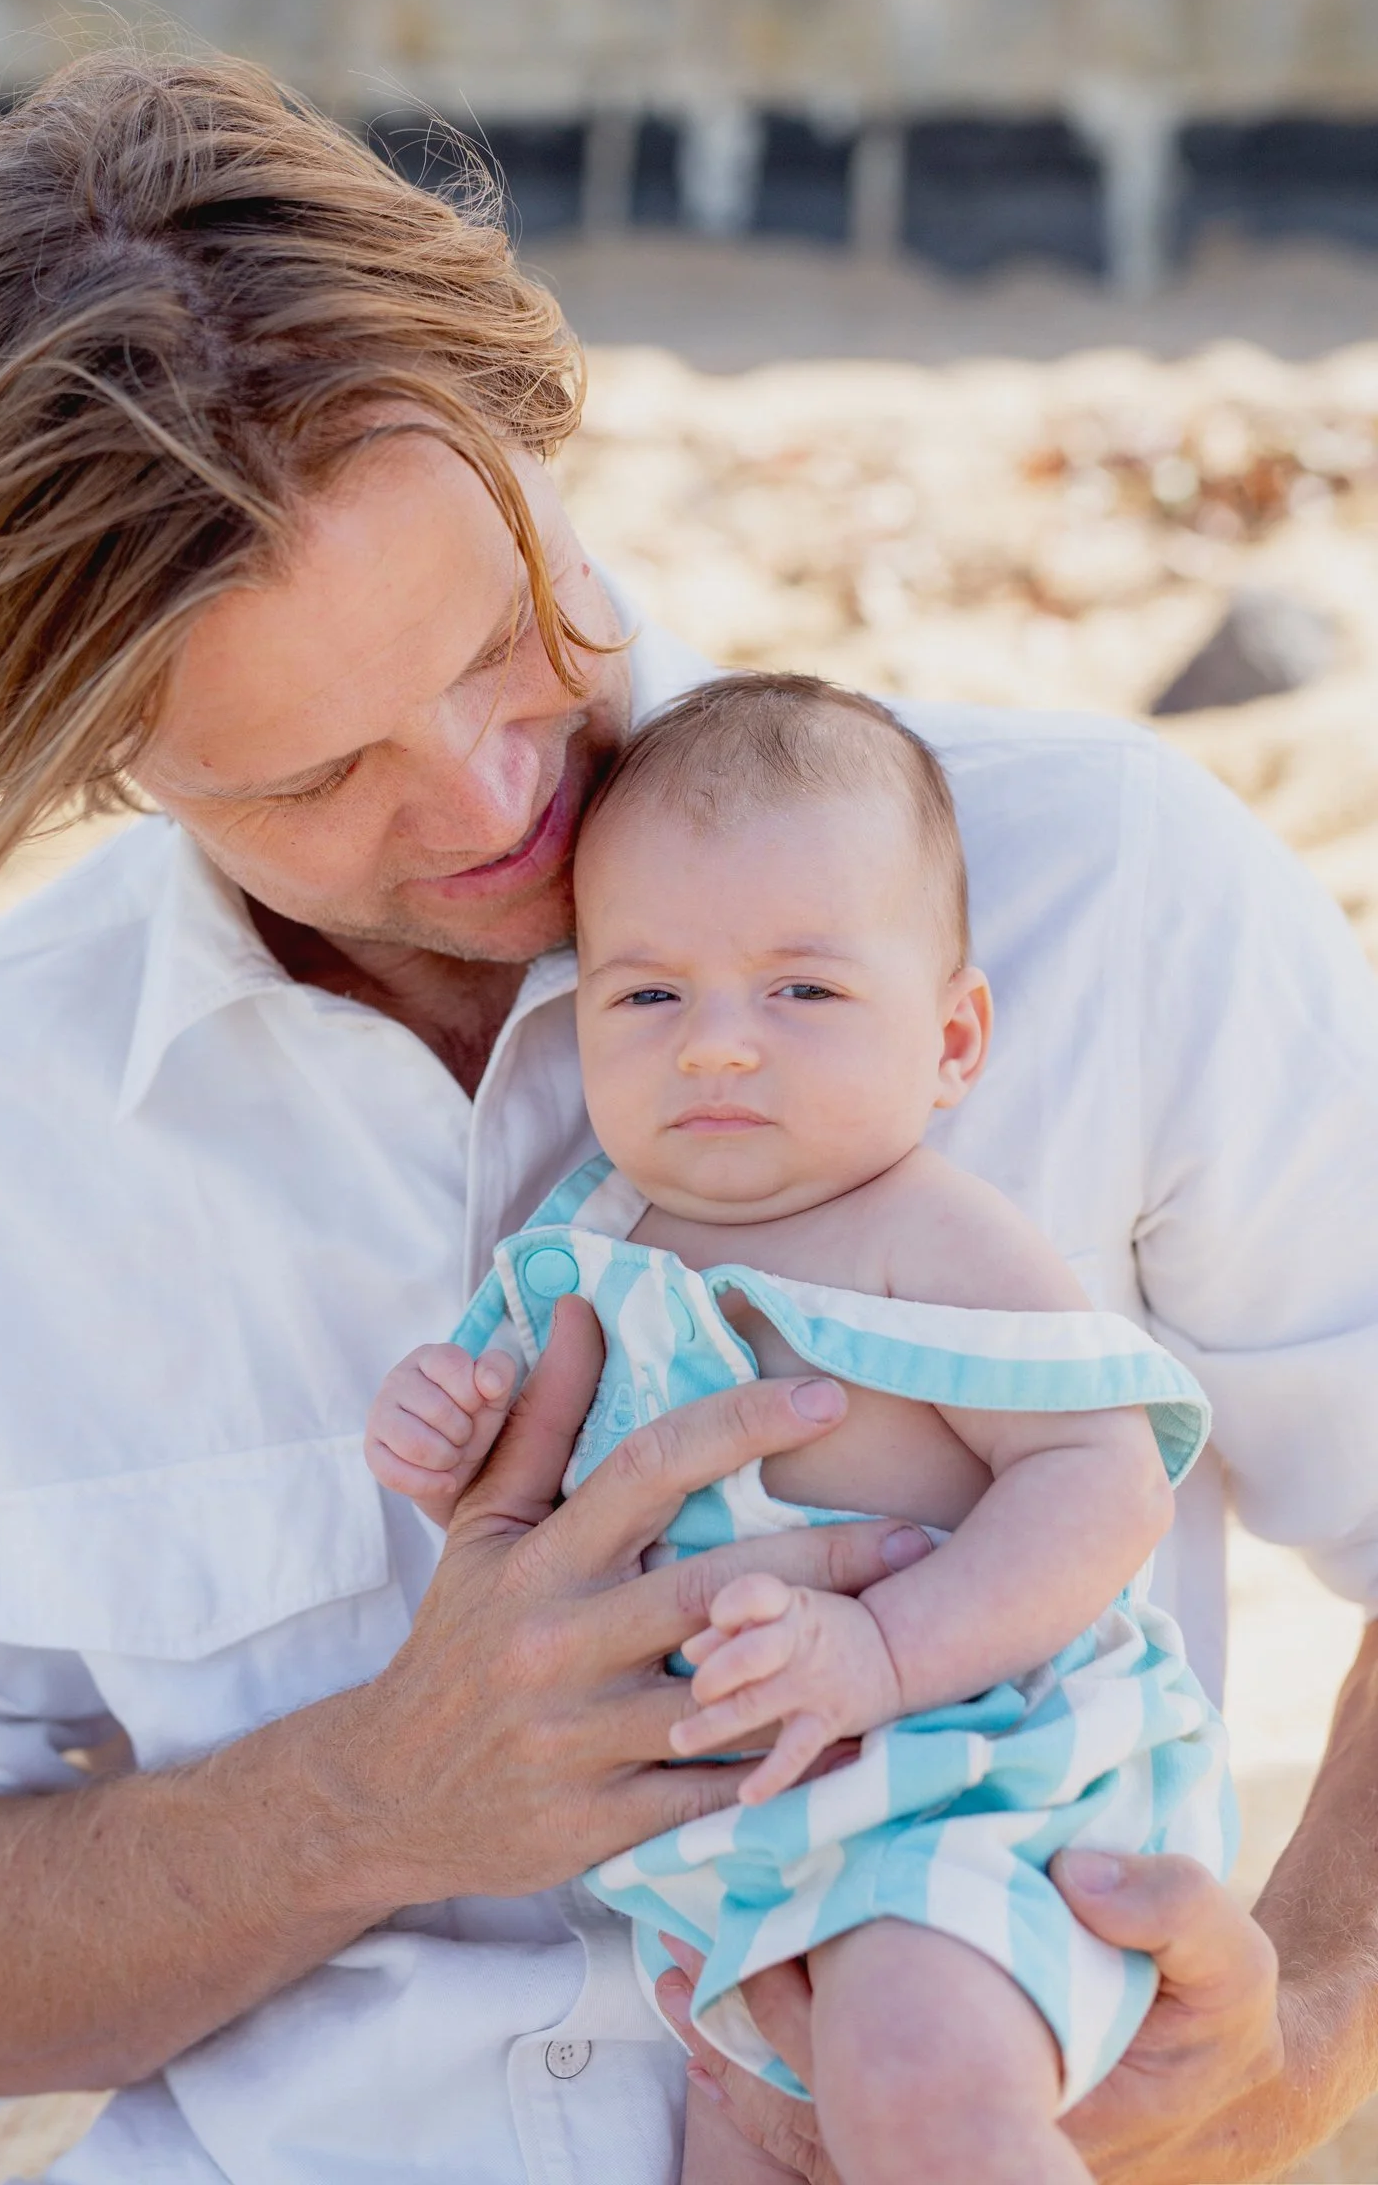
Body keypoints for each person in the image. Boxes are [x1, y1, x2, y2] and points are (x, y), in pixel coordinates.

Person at [0, 47, 1374, 2185]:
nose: (487, 798)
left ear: (528, 432)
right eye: (307, 777)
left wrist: (1310, 2036)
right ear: (96, 764)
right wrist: (364, 1800)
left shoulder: (1104, 886)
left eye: (491, 635)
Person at [365, 674, 1234, 2185]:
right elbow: (548, 1526)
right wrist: (448, 1445)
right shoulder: (591, 1254)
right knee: (746, 2138)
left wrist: (885, 1654)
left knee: (924, 2090)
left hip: (968, 1791)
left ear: (954, 1040)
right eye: (649, 995)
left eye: (803, 992)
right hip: (737, 1858)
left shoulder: (934, 1238)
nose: (714, 1045)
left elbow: (1104, 1485)